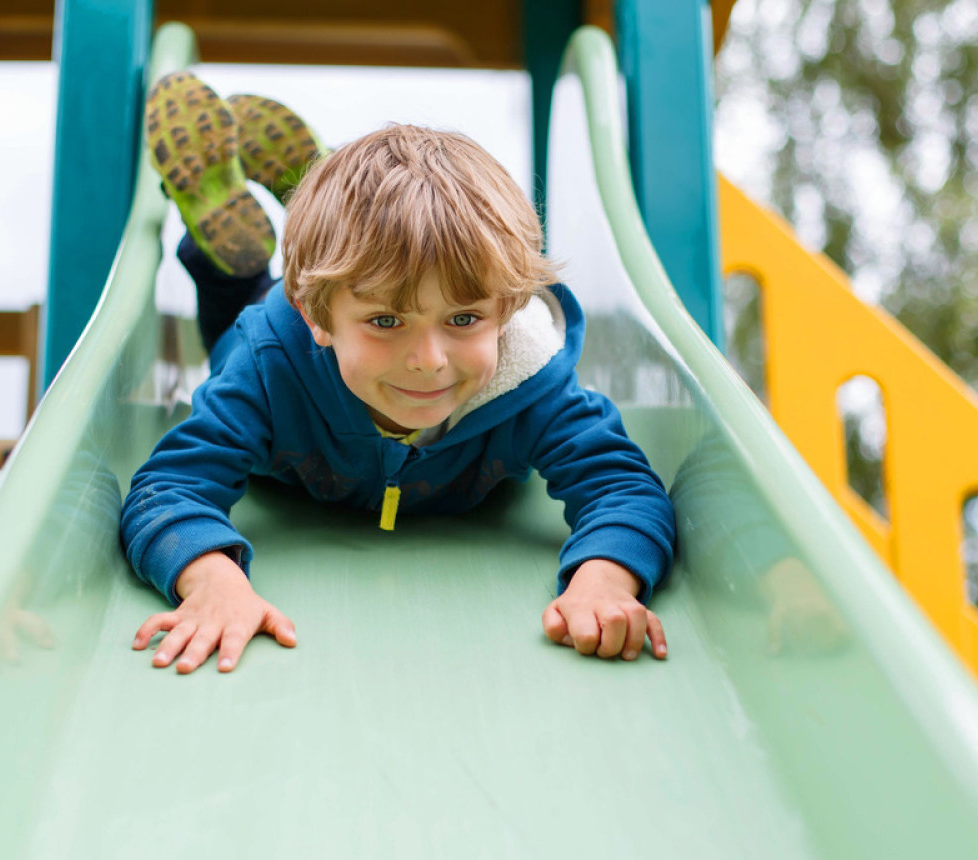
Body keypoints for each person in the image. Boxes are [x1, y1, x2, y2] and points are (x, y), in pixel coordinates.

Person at [120, 71, 677, 674]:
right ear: (319, 317)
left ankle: (332, 211)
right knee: (239, 312)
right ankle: (233, 245)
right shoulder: (265, 369)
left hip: (334, 298)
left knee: (377, 267)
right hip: (275, 333)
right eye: (387, 322)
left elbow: (622, 486)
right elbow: (167, 488)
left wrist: (605, 579)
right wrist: (210, 579)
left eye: (464, 318)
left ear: (508, 308)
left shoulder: (530, 383)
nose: (429, 359)